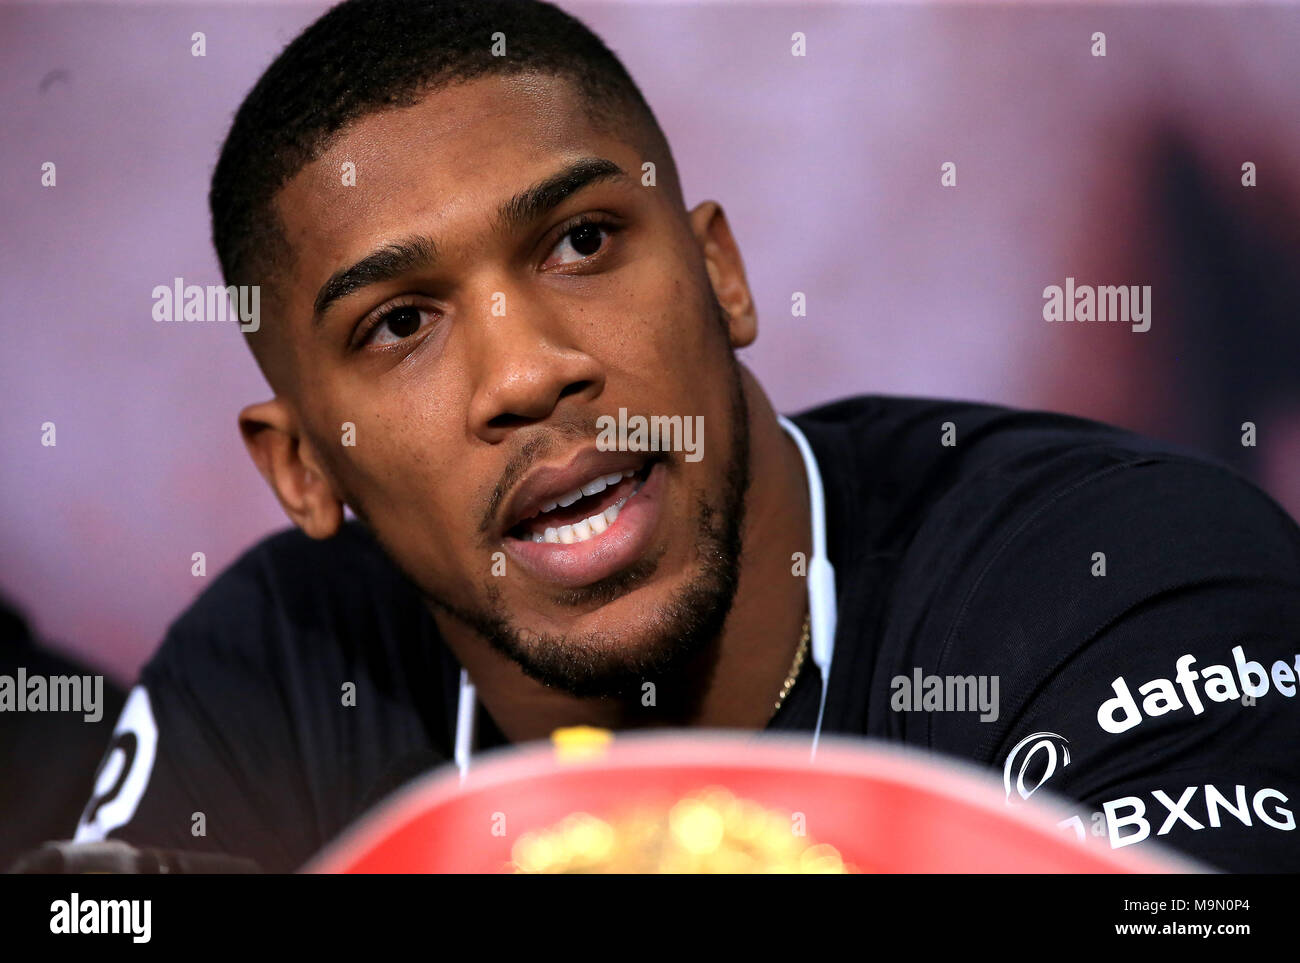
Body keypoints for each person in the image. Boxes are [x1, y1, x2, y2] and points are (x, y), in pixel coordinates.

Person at [74, 0, 1300, 873]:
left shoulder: (1122, 576)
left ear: (721, 274)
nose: (529, 371)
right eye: (400, 324)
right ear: (303, 467)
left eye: (582, 242)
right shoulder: (272, 672)